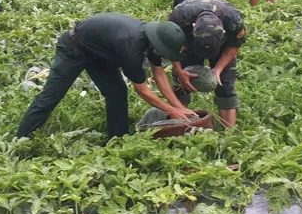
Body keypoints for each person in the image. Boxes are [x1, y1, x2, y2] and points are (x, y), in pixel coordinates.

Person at [16, 14, 197, 140]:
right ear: (158, 45)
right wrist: (171, 111)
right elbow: (142, 90)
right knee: (52, 94)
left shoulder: (154, 40)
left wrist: (179, 107)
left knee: (117, 93)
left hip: (100, 53)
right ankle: (22, 137)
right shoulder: (132, 47)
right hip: (74, 47)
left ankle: (117, 139)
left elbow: (159, 75)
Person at [167, 0, 245, 128]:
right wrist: (180, 72)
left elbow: (234, 46)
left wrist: (218, 69)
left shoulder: (234, 21)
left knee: (225, 84)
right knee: (181, 84)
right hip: (189, 42)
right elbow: (172, 48)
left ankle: (230, 132)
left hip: (221, 45)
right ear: (193, 27)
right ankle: (176, 126)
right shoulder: (179, 19)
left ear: (224, 32)